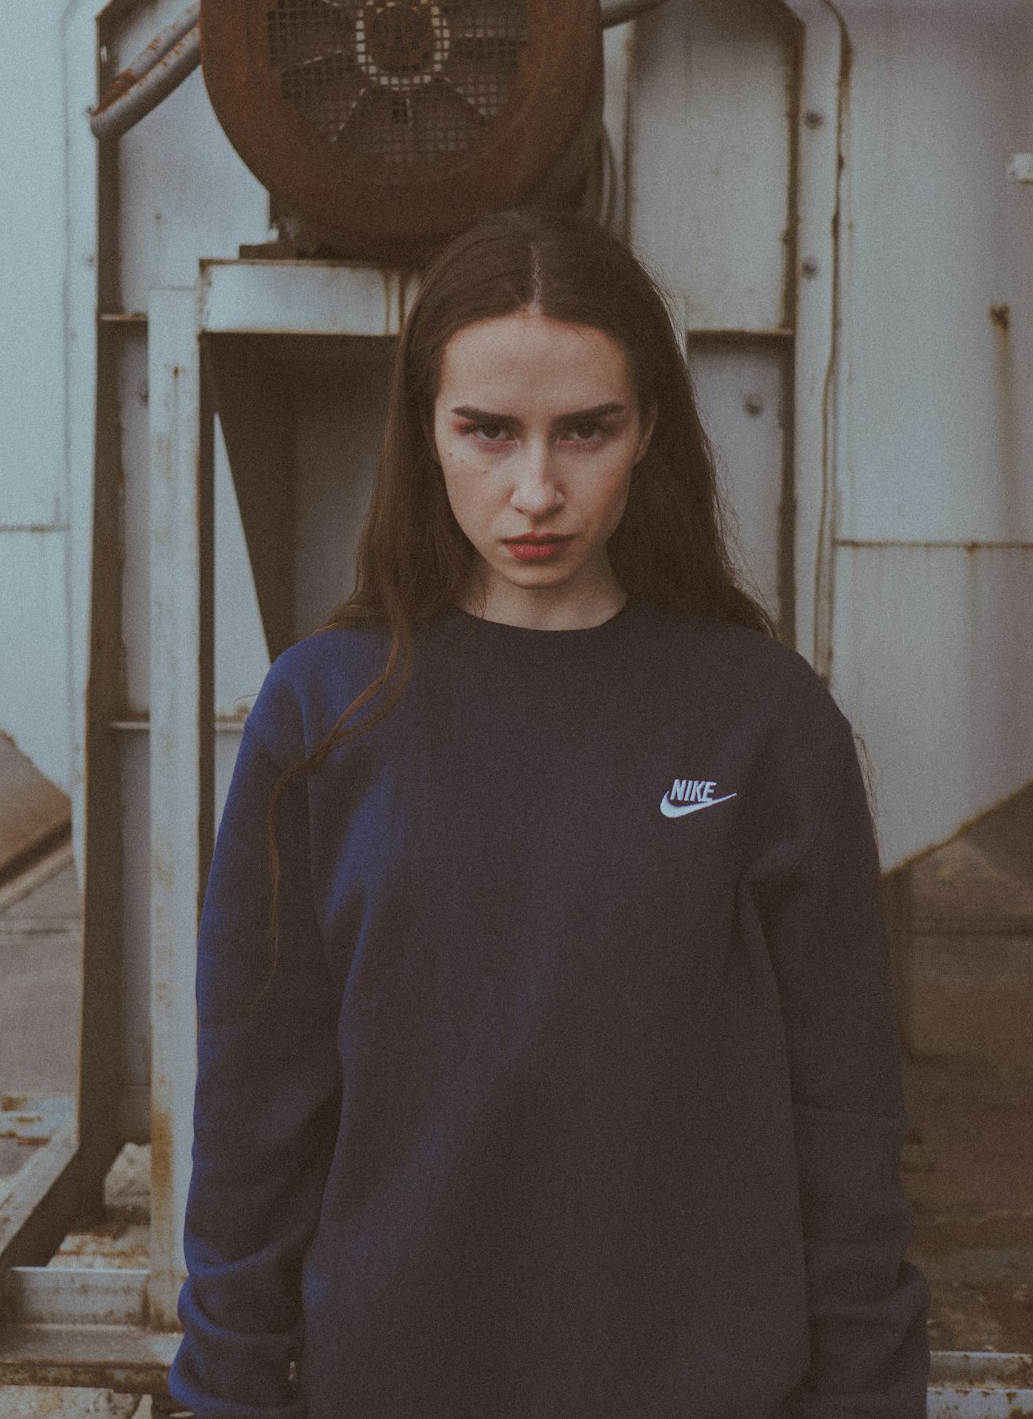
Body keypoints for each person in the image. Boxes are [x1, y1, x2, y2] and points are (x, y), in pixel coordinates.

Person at [168, 208, 931, 1419]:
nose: (537, 490)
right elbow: (257, 1110)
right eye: (488, 432)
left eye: (586, 430)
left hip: (707, 1389)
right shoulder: (325, 713)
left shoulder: (762, 719)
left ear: (649, 434)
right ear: (425, 436)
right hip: (397, 1383)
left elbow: (843, 1108)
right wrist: (229, 1392)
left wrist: (868, 1394)